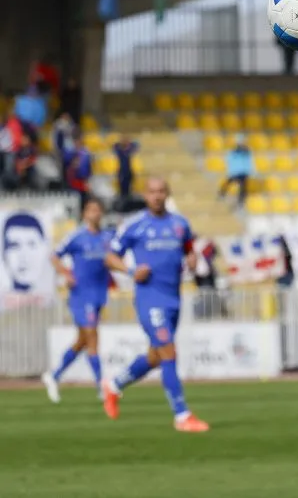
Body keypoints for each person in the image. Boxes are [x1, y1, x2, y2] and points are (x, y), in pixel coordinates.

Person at [102, 177, 209, 433]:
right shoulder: (134, 225)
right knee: (169, 352)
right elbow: (109, 256)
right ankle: (182, 416)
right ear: (146, 195)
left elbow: (189, 248)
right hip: (150, 299)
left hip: (174, 298)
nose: (157, 196)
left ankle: (114, 384)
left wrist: (193, 260)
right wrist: (130, 270)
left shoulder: (180, 224)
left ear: (167, 194)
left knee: (155, 357)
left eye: (161, 192)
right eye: (152, 192)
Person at [42, 198, 112, 402]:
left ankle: (53, 376)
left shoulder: (107, 237)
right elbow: (54, 255)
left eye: (98, 210)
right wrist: (66, 273)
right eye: (91, 210)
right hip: (81, 294)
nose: (95, 214)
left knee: (82, 340)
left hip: (99, 293)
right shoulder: (77, 237)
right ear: (84, 214)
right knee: (92, 337)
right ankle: (101, 385)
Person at [218, 134, 253, 207]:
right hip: (235, 171)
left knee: (243, 187)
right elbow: (230, 159)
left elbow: (249, 161)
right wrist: (230, 169)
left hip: (243, 172)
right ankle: (222, 194)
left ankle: (241, 201)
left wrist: (250, 170)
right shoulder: (235, 150)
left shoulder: (246, 151)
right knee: (228, 182)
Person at [112, 134, 139, 201]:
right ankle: (122, 200)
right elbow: (114, 146)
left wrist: (129, 143)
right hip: (121, 171)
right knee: (122, 187)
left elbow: (136, 146)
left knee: (129, 187)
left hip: (129, 171)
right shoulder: (119, 150)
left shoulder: (129, 150)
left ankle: (128, 200)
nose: (125, 142)